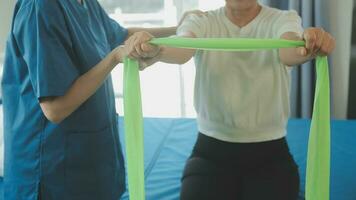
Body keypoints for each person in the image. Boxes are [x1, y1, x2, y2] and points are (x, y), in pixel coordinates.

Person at [124, 0, 335, 199]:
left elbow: (290, 51)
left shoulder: (283, 19)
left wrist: (310, 45)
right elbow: (181, 49)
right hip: (210, 153)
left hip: (270, 154)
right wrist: (155, 49)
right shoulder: (201, 20)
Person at [1, 0, 200, 199]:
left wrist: (181, 29)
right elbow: (55, 109)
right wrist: (114, 58)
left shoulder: (85, 3)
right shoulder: (41, 8)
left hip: (93, 160)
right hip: (51, 169)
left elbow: (122, 36)